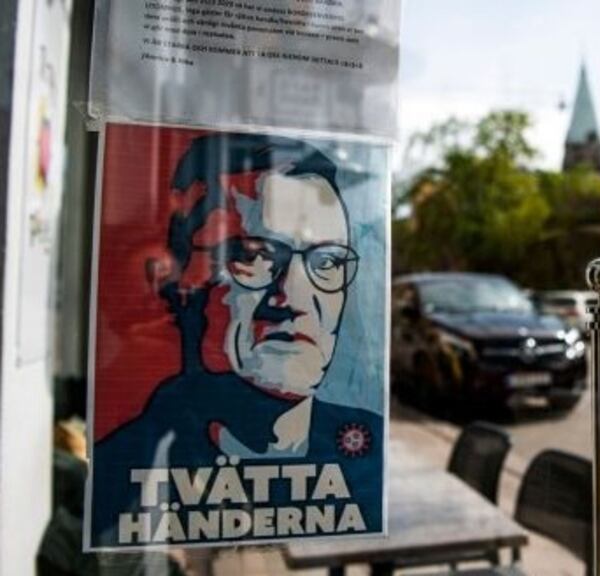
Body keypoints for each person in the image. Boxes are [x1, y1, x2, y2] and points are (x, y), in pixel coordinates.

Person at [90, 133, 384, 547]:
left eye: (328, 261)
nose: (294, 295)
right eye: (254, 255)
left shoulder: (366, 454)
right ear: (176, 282)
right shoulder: (119, 473)